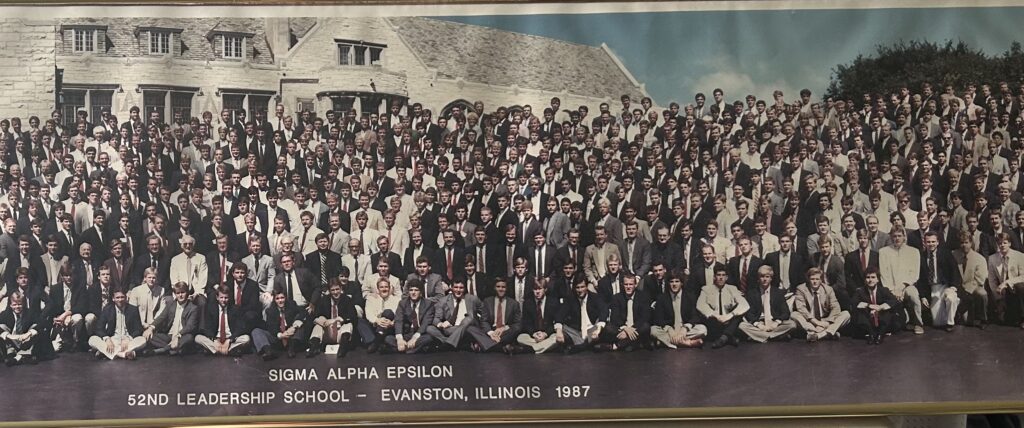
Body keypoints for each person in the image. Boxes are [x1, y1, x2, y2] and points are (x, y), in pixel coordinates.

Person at [427, 278, 494, 352]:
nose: (458, 290)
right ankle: (455, 343)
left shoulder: (473, 299)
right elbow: (436, 318)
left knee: (468, 319)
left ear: (465, 289)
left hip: (469, 328)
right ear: (451, 288)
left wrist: (486, 328)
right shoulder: (443, 301)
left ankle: (448, 344)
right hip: (452, 329)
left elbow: (484, 314)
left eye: (461, 288)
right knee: (429, 328)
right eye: (456, 287)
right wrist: (441, 324)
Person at [878, 227, 923, 334]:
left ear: (904, 237)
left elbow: (914, 274)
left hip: (907, 286)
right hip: (890, 287)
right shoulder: (883, 252)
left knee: (913, 295)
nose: (897, 238)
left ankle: (918, 323)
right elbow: (884, 274)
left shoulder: (914, 251)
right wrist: (892, 290)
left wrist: (902, 287)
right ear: (891, 237)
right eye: (894, 236)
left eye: (899, 236)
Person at [918, 232, 962, 332]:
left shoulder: (946, 253)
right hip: (932, 288)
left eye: (933, 241)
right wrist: (923, 296)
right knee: (938, 323)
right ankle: (948, 311)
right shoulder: (921, 256)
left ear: (937, 242)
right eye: (928, 242)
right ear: (924, 243)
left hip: (945, 286)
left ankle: (951, 322)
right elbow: (920, 278)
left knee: (951, 298)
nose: (931, 244)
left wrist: (953, 287)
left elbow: (954, 271)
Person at [739, 265, 796, 343]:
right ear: (758, 278)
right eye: (762, 276)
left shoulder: (778, 293)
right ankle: (774, 336)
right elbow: (749, 313)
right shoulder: (752, 293)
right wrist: (758, 324)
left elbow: (786, 312)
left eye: (767, 276)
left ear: (771, 278)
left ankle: (761, 336)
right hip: (760, 323)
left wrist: (777, 322)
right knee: (742, 326)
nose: (765, 279)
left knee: (792, 324)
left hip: (774, 323)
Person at [696, 265, 748, 348]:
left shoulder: (732, 289)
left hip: (728, 322)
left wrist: (729, 315)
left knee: (738, 315)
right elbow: (700, 305)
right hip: (714, 322)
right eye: (718, 275)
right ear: (714, 277)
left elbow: (744, 304)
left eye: (723, 275)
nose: (721, 278)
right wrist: (716, 316)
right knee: (704, 316)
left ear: (726, 278)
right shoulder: (706, 289)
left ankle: (723, 338)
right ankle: (729, 337)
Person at [792, 268, 851, 341]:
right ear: (808, 280)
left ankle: (819, 335)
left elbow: (835, 307)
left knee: (846, 314)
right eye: (812, 279)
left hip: (825, 320)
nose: (815, 282)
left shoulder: (828, 289)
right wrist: (816, 322)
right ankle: (828, 333)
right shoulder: (801, 289)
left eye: (817, 279)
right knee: (794, 314)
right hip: (809, 321)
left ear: (821, 280)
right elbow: (801, 308)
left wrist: (827, 322)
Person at [650, 272, 706, 349]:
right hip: (670, 330)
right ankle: (687, 343)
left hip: (684, 330)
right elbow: (659, 318)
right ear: (668, 283)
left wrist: (685, 328)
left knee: (703, 329)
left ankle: (667, 341)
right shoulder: (662, 298)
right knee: (653, 330)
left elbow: (695, 316)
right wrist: (669, 329)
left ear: (681, 283)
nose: (674, 284)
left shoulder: (690, 296)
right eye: (671, 282)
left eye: (677, 281)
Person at [554, 274, 608, 353]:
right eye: (577, 287)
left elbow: (604, 311)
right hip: (576, 332)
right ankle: (586, 345)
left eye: (582, 287)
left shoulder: (595, 297)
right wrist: (559, 332)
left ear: (587, 287)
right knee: (562, 331)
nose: (580, 290)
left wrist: (598, 330)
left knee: (605, 327)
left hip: (592, 330)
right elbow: (560, 315)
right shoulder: (570, 299)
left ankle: (578, 347)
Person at [88, 289, 147, 360]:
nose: (120, 300)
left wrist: (128, 338)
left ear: (126, 298)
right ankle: (123, 354)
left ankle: (107, 353)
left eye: (122, 297)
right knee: (92, 339)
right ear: (113, 299)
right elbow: (99, 328)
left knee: (142, 340)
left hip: (128, 341)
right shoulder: (107, 309)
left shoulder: (133, 309)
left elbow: (138, 329)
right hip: (112, 340)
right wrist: (107, 339)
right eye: (117, 297)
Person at [597, 274, 651, 351]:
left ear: (635, 285)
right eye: (626, 284)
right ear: (622, 285)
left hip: (636, 328)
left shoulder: (643, 297)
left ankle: (618, 345)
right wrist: (626, 329)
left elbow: (644, 317)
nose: (628, 287)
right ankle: (633, 343)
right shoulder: (616, 297)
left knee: (645, 327)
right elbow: (614, 318)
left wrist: (632, 329)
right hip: (622, 328)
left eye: (631, 284)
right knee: (608, 328)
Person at [143, 281, 199, 355]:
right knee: (151, 336)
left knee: (189, 338)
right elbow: (161, 317)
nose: (180, 295)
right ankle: (174, 349)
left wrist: (177, 336)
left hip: (182, 335)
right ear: (175, 294)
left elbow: (190, 326)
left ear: (187, 293)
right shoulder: (171, 304)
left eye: (182, 292)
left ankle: (162, 350)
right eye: (178, 293)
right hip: (169, 335)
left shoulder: (193, 308)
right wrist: (151, 328)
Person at [307, 278, 358, 358]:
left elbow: (353, 316)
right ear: (329, 291)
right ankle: (313, 348)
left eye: (337, 289)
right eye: (333, 290)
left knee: (348, 325)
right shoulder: (324, 300)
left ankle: (342, 349)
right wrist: (321, 321)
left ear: (341, 289)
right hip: (328, 331)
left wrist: (339, 319)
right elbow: (314, 316)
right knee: (317, 326)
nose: (335, 292)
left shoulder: (347, 299)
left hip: (340, 332)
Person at [195, 285, 251, 356]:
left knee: (246, 338)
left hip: (230, 340)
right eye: (221, 297)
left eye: (226, 298)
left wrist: (229, 340)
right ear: (217, 297)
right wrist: (214, 340)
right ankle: (227, 351)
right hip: (216, 339)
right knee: (198, 338)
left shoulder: (235, 309)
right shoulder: (210, 309)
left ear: (229, 298)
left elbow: (240, 328)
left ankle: (217, 350)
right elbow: (207, 328)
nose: (223, 300)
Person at [252, 289, 307, 360]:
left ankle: (292, 349)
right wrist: (280, 335)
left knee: (301, 326)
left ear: (285, 298)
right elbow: (271, 327)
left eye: (282, 298)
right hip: (278, 338)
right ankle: (268, 351)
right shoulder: (270, 310)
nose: (280, 301)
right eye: (277, 298)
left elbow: (303, 312)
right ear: (274, 300)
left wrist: (295, 326)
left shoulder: (291, 305)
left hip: (291, 336)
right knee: (256, 331)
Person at [387, 279, 436, 354]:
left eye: (416, 290)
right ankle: (412, 349)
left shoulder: (428, 304)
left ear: (421, 292)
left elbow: (425, 323)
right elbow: (398, 320)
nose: (413, 293)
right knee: (388, 338)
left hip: (420, 333)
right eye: (411, 290)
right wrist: (399, 339)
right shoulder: (402, 303)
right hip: (407, 333)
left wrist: (415, 338)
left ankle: (403, 349)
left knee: (429, 338)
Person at [853, 268, 899, 345]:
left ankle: (880, 335)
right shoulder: (860, 291)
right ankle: (871, 334)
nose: (870, 280)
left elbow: (894, 301)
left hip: (881, 319)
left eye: (873, 277)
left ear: (878, 279)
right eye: (868, 277)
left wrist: (880, 307)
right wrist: (869, 306)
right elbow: (854, 303)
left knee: (889, 311)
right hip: (869, 320)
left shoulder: (884, 290)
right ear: (865, 280)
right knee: (860, 312)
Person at [515, 278, 560, 354]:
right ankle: (543, 347)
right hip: (534, 336)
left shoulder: (553, 302)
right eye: (535, 289)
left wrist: (545, 334)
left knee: (556, 337)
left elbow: (556, 322)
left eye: (540, 289)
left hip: (548, 334)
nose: (537, 292)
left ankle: (530, 349)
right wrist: (533, 333)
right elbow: (526, 322)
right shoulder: (528, 303)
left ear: (545, 289)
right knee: (520, 338)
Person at [360, 277, 399, 353]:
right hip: (375, 326)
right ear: (378, 289)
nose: (384, 289)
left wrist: (392, 323)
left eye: (386, 287)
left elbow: (398, 316)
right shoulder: (371, 299)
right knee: (359, 321)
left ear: (389, 288)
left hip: (389, 328)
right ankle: (376, 341)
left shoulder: (396, 300)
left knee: (388, 312)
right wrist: (377, 320)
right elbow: (369, 314)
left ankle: (375, 342)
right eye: (381, 287)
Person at [0, 292, 40, 365]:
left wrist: (28, 334)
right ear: (10, 305)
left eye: (20, 304)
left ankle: (19, 357)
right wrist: (10, 336)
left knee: (35, 329)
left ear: (23, 304)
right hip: (12, 341)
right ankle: (14, 354)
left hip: (26, 340)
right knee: (2, 327)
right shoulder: (5, 314)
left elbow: (40, 324)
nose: (17, 307)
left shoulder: (30, 313)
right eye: (14, 305)